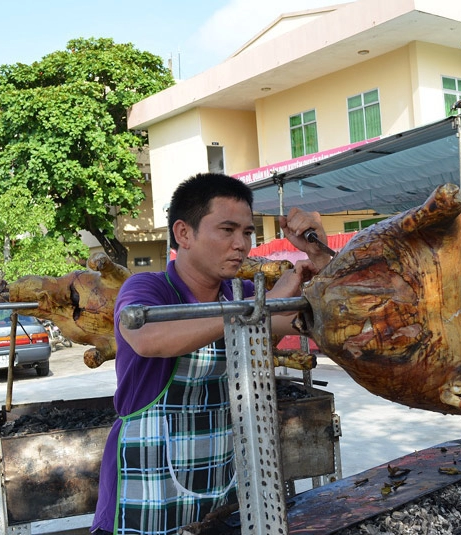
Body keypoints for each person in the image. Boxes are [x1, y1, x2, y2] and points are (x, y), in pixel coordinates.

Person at [91, 172, 331, 535]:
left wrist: (317, 252)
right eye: (227, 230)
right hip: (146, 488)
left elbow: (323, 318)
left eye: (247, 233)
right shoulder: (150, 288)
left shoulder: (242, 293)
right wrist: (251, 308)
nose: (241, 245)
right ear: (184, 234)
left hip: (220, 488)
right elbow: (148, 338)